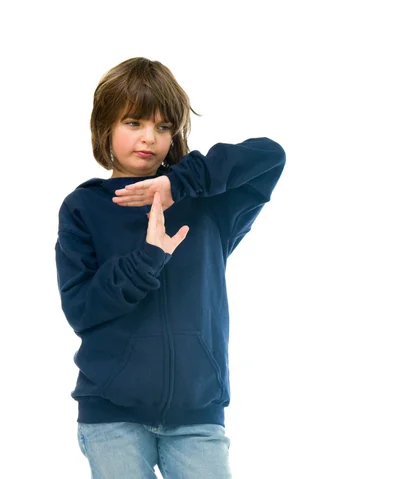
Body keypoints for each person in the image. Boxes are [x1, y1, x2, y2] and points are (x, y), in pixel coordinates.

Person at [54, 57, 286, 478]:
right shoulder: (83, 208)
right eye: (134, 122)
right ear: (105, 126)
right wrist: (149, 257)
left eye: (163, 127)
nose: (149, 138)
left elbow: (270, 157)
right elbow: (82, 310)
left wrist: (179, 183)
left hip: (197, 416)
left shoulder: (208, 205)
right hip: (112, 416)